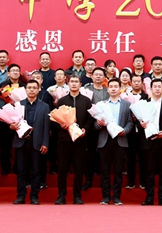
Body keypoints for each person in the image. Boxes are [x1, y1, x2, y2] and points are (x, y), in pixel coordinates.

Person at [55, 75, 93, 204]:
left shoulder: (86, 101)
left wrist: (85, 129)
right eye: (72, 82)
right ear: (68, 84)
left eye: (77, 82)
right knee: (62, 169)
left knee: (79, 169)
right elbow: (55, 119)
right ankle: (61, 195)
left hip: (80, 141)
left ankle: (77, 195)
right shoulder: (62, 101)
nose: (74, 84)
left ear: (80, 84)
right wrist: (61, 125)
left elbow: (90, 119)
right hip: (64, 140)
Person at [12, 80, 50, 205]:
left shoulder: (44, 106)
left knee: (36, 171)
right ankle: (20, 196)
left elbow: (46, 127)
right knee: (21, 171)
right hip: (21, 142)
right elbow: (12, 122)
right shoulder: (18, 104)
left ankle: (34, 196)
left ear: (39, 90)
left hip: (37, 142)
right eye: (29, 87)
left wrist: (45, 143)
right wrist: (11, 126)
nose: (32, 90)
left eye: (34, 87)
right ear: (26, 90)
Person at [139, 79, 162, 205]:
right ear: (150, 89)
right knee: (148, 172)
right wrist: (141, 125)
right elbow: (138, 123)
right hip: (149, 142)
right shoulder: (144, 104)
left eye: (159, 87)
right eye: (154, 86)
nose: (157, 89)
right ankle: (149, 198)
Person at [96, 78, 134, 205]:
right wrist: (99, 124)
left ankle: (117, 197)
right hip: (105, 140)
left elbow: (130, 122)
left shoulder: (126, 105)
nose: (113, 89)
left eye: (115, 86)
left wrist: (125, 131)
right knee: (104, 170)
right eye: (111, 86)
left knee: (118, 170)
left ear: (120, 89)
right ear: (107, 89)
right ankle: (106, 197)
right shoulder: (102, 105)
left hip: (120, 140)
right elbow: (95, 125)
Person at [82, 67, 108, 190]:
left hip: (104, 127)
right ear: (91, 77)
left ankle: (104, 181)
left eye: (100, 75)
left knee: (103, 154)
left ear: (104, 78)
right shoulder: (86, 90)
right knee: (89, 154)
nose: (98, 76)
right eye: (95, 74)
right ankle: (88, 180)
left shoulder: (108, 91)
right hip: (89, 126)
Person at [125, 72, 147, 190]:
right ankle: (131, 182)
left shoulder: (146, 97)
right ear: (130, 83)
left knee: (144, 158)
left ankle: (143, 182)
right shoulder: (125, 97)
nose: (137, 83)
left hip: (143, 132)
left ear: (142, 83)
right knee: (130, 158)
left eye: (139, 81)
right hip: (130, 132)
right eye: (134, 81)